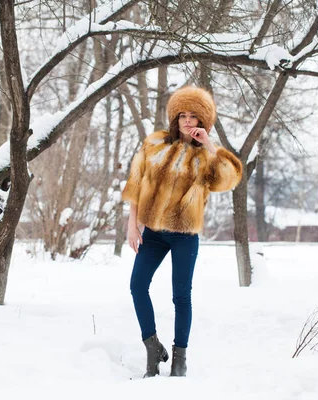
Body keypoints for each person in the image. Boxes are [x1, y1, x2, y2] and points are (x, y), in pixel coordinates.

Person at [121, 86, 242, 378]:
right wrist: (132, 223)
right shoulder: (155, 144)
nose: (187, 121)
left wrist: (210, 145)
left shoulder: (206, 156)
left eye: (194, 116)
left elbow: (227, 179)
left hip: (185, 234)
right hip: (153, 233)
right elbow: (137, 182)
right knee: (137, 285)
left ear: (203, 121)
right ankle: (152, 346)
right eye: (182, 115)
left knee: (181, 297)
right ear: (174, 118)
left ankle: (180, 357)